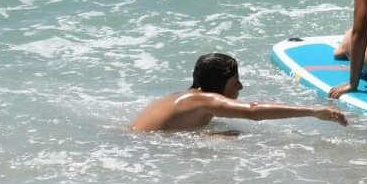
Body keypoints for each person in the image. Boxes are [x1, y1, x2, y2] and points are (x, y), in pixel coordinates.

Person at [131, 53, 348, 133]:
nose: (240, 87)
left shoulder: (180, 97)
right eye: (236, 81)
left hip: (131, 145)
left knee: (226, 136)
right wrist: (312, 111)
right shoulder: (205, 100)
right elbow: (253, 111)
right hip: (140, 154)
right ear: (220, 83)